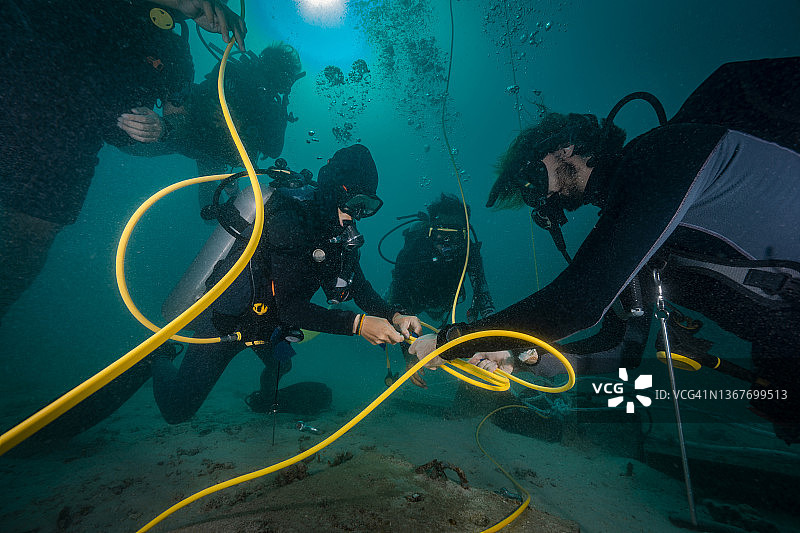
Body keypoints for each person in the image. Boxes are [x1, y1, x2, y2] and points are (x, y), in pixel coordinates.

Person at [410, 57, 800, 443]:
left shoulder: (661, 156)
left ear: (564, 148)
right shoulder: (643, 223)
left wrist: (453, 341)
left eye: (532, 179)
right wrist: (521, 356)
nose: (539, 198)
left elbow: (577, 303)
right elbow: (614, 349)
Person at [21, 145, 421, 446]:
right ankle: (158, 360)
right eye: (356, 203)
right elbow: (291, 306)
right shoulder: (287, 220)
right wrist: (356, 324)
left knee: (281, 365)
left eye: (370, 206)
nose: (360, 214)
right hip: (226, 321)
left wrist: (394, 312)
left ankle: (265, 398)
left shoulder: (336, 233)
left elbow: (358, 285)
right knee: (179, 411)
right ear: (335, 191)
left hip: (268, 325)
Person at [0, 0, 246, 323]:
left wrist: (162, 128)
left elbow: (179, 120)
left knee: (28, 243)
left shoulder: (174, 49)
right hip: (21, 79)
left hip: (74, 142)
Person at [117, 41, 306, 211]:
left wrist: (239, 125)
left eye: (289, 80)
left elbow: (274, 150)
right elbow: (201, 100)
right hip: (195, 136)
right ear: (273, 68)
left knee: (208, 207)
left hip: (219, 154)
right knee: (130, 143)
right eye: (286, 77)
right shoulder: (233, 73)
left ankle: (231, 192)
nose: (287, 85)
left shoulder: (274, 107)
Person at [383, 193, 495, 387]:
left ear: (465, 233)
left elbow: (483, 297)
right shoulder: (414, 248)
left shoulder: (469, 252)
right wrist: (409, 357)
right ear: (430, 231)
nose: (447, 243)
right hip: (413, 300)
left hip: (444, 302)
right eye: (441, 233)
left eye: (455, 236)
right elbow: (399, 303)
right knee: (389, 308)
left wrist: (492, 344)